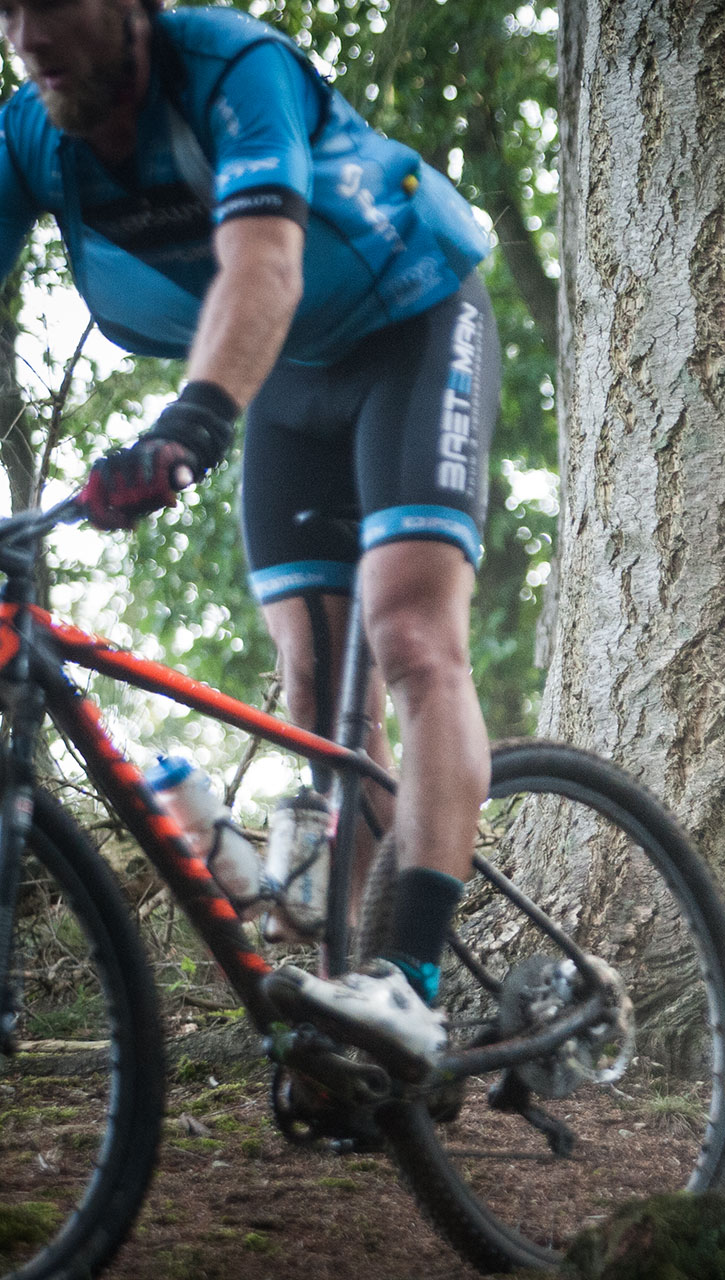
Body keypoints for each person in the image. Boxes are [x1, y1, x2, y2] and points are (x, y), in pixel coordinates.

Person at [0, 0, 500, 1067]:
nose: (27, 36)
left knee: (409, 637)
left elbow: (265, 264)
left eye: (48, 5)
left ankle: (410, 981)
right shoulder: (28, 134)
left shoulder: (233, 67)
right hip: (285, 377)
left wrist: (191, 419)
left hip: (411, 321)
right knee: (317, 698)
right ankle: (337, 1014)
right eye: (6, 10)